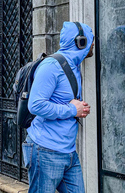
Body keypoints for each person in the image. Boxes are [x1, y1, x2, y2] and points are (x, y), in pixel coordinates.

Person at [24, 21, 94, 193]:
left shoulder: (75, 66)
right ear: (81, 42)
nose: (94, 44)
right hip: (45, 150)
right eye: (91, 40)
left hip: (69, 152)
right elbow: (35, 105)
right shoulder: (51, 66)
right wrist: (72, 110)